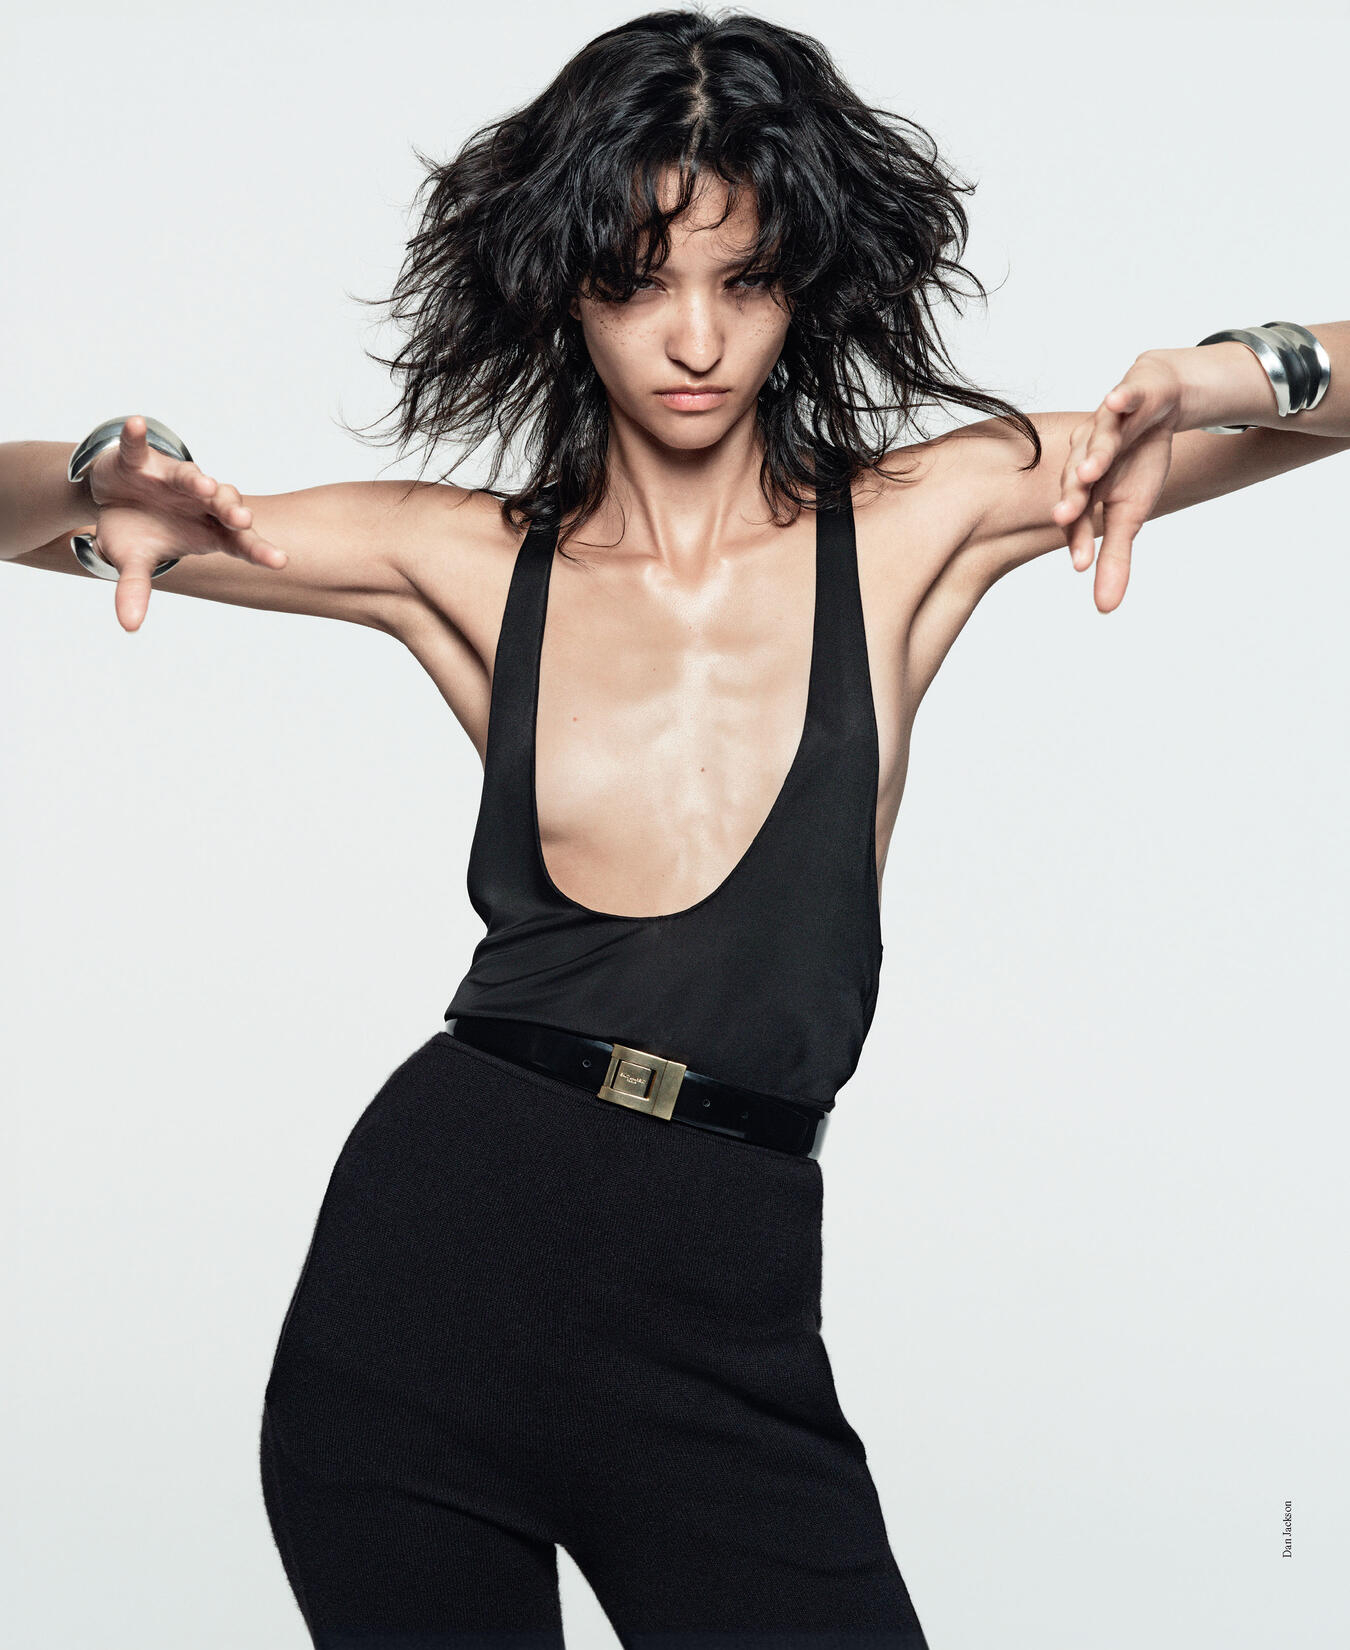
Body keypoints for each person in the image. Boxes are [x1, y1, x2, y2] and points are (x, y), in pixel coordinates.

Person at [3, 9, 1345, 1647]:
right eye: (640, 281)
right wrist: (94, 474)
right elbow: (33, 515)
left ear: (806, 277)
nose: (696, 338)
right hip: (422, 1304)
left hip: (725, 1322)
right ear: (566, 286)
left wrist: (1236, 372)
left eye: (744, 278)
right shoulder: (462, 560)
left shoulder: (919, 522)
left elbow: (1317, 399)